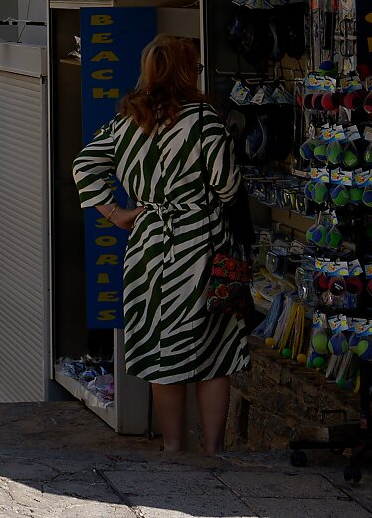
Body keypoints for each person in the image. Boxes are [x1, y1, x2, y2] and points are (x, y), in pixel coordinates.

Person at [72, 33, 247, 454]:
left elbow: (84, 164)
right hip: (202, 244)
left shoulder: (127, 121)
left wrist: (116, 213)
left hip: (147, 246)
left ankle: (172, 448)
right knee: (214, 352)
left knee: (161, 349)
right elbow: (226, 187)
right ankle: (213, 451)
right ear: (186, 72)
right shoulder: (204, 121)